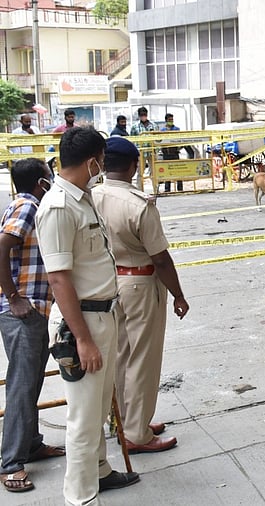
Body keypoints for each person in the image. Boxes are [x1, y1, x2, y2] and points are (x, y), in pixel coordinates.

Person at [34, 127, 140, 505]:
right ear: (93, 161)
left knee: (98, 406)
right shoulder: (58, 207)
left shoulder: (83, 198)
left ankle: (100, 471)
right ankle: (80, 496)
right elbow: (59, 279)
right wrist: (82, 339)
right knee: (83, 416)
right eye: (101, 161)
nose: (102, 168)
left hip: (103, 315)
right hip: (81, 322)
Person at [93, 137, 189, 454]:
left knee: (120, 355)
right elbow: (160, 258)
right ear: (134, 165)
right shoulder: (138, 205)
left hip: (109, 282)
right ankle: (137, 433)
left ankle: (123, 422)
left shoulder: (92, 195)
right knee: (143, 360)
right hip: (140, 283)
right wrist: (178, 294)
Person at [0, 158, 65, 494]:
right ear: (42, 182)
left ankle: (31, 443)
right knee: (22, 386)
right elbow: (1, 247)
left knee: (32, 382)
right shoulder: (26, 207)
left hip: (37, 308)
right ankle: (11, 463)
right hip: (22, 311)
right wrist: (13, 297)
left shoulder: (32, 207)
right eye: (49, 177)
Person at [159, 113, 184, 192]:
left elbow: (180, 141)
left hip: (175, 153)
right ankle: (167, 189)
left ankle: (180, 188)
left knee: (178, 170)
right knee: (167, 171)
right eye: (169, 120)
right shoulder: (162, 131)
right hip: (166, 153)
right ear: (166, 120)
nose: (171, 121)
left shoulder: (176, 129)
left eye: (172, 120)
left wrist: (178, 148)